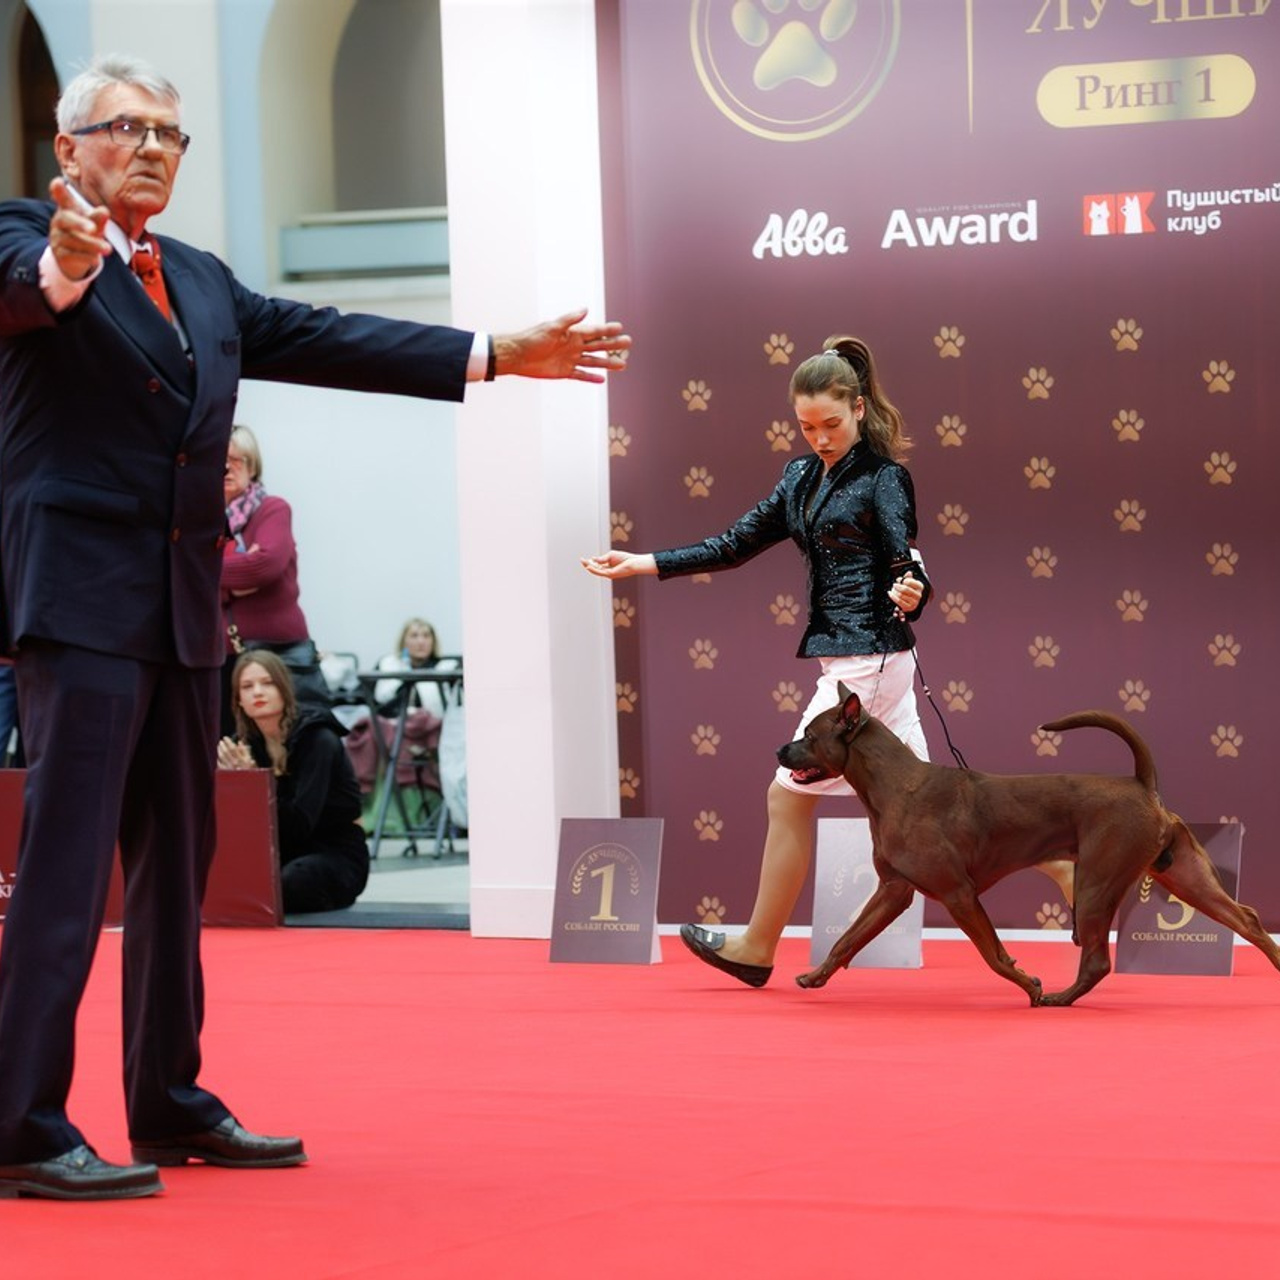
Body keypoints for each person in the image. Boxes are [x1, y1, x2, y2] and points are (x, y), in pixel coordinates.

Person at [0, 53, 628, 1201]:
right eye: (125, 127)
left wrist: (491, 354)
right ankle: (22, 1122)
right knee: (66, 867)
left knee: (177, 866)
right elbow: (17, 288)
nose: (150, 147)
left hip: (184, 614)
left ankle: (168, 1098)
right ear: (69, 144)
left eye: (170, 135)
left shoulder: (197, 275)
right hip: (81, 604)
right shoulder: (22, 233)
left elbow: (327, 332)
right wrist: (60, 267)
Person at [584, 336, 926, 989]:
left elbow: (903, 560)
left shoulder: (884, 477)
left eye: (832, 423)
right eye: (807, 426)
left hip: (867, 658)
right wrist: (645, 562)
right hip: (855, 661)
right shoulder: (800, 477)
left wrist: (913, 588)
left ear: (858, 408)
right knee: (936, 802)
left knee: (786, 796)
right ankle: (1067, 865)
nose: (820, 437)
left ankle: (757, 946)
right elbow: (735, 543)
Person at [219, 651, 368, 915]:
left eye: (267, 683)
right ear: (238, 700)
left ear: (285, 689)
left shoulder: (318, 739)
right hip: (282, 855)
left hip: (334, 854)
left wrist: (255, 783)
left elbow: (299, 824)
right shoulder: (244, 745)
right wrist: (233, 785)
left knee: (291, 882)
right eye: (247, 686)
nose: (257, 692)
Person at [220, 423, 330, 734]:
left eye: (237, 460)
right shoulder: (200, 519)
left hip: (281, 653)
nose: (226, 468)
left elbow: (264, 566)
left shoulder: (272, 509)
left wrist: (212, 574)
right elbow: (184, 577)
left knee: (294, 745)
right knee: (232, 753)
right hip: (224, 657)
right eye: (217, 460)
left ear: (252, 466)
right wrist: (231, 585)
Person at [373, 617, 459, 719]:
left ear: (433, 641)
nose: (421, 642)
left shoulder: (448, 668)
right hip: (388, 725)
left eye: (426, 636)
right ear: (403, 641)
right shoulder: (387, 663)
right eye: (414, 636)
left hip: (433, 727)